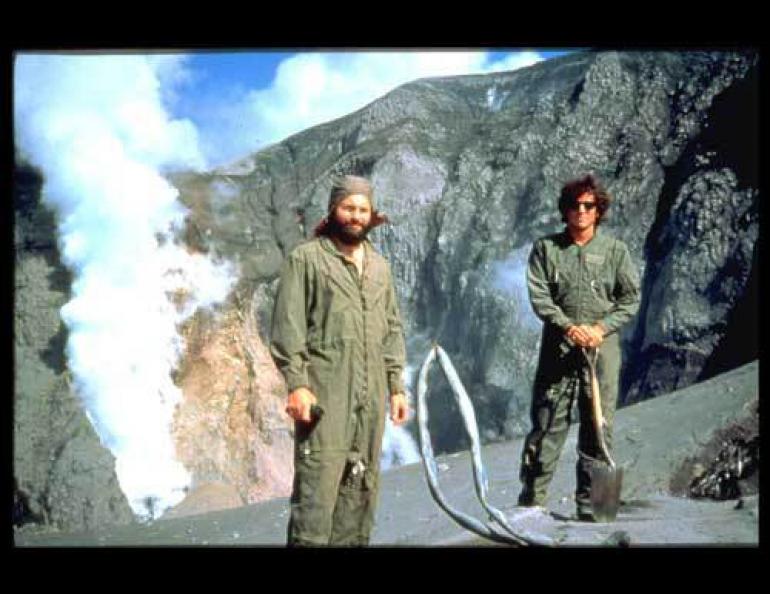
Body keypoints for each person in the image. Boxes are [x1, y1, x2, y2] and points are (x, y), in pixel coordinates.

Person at [270, 175, 409, 546]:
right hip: (326, 397)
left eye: (363, 210)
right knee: (316, 500)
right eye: (349, 208)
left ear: (371, 215)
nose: (356, 216)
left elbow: (392, 328)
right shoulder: (306, 259)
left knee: (360, 497)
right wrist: (297, 384)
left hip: (371, 399)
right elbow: (289, 326)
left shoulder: (380, 267)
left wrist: (396, 386)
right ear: (333, 210)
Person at [517, 174, 640, 521]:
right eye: (574, 205)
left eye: (589, 205)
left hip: (602, 351)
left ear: (599, 210)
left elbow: (630, 298)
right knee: (547, 424)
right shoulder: (547, 249)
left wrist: (601, 328)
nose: (581, 211)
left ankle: (597, 510)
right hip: (559, 349)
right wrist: (569, 327)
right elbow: (539, 295)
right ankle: (531, 502)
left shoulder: (616, 251)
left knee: (599, 426)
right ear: (565, 210)